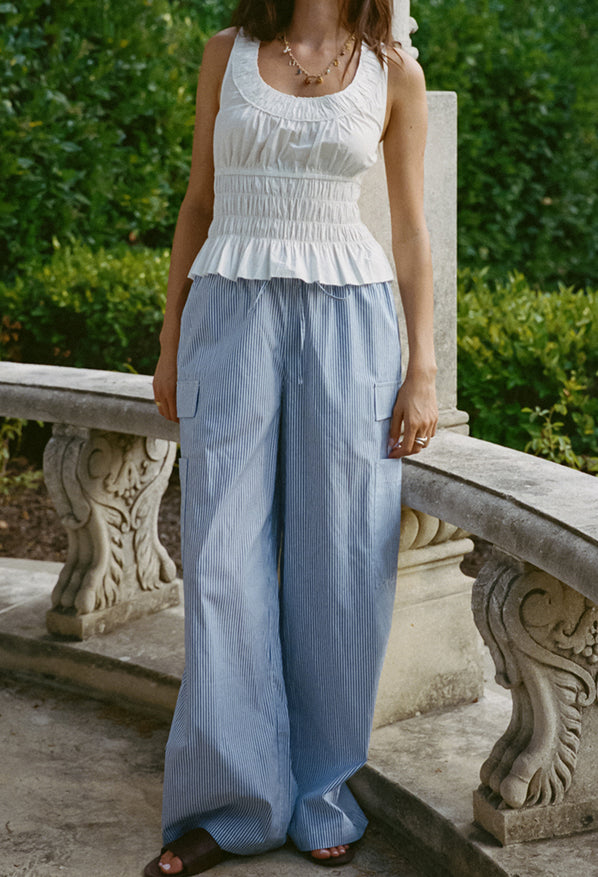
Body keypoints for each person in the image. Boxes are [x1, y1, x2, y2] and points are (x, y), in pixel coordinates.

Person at [146, 0, 438, 873]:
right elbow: (197, 204)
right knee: (223, 557)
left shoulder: (395, 71)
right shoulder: (225, 53)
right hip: (230, 310)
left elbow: (412, 233)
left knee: (341, 558)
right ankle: (234, 805)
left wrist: (420, 369)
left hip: (351, 321)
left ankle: (318, 792)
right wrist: (168, 345)